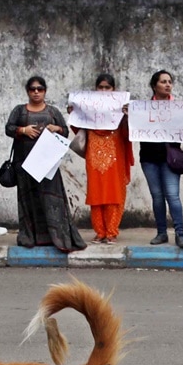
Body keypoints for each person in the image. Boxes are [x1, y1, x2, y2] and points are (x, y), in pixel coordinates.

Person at [6, 75, 85, 253]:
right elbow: (8, 128)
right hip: (25, 165)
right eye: (32, 89)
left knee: (51, 200)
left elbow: (64, 131)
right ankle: (30, 237)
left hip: (48, 165)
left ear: (45, 91)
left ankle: (57, 237)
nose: (36, 92)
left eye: (40, 89)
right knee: (29, 200)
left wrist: (56, 128)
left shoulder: (53, 112)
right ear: (27, 91)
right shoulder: (19, 111)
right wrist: (22, 130)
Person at [70, 73, 133, 244]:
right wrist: (74, 113)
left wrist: (127, 116)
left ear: (114, 90)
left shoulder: (120, 108)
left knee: (114, 193)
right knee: (96, 194)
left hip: (115, 156)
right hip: (94, 157)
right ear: (95, 89)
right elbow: (78, 128)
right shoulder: (89, 109)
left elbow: (129, 133)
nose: (104, 91)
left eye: (108, 87)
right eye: (101, 87)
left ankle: (111, 232)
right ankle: (100, 232)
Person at [136, 70, 183, 249]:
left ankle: (180, 234)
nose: (167, 85)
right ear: (154, 86)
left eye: (170, 82)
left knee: (173, 196)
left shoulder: (179, 107)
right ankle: (161, 233)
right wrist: (130, 115)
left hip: (170, 158)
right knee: (157, 197)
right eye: (163, 82)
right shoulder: (142, 109)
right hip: (149, 158)